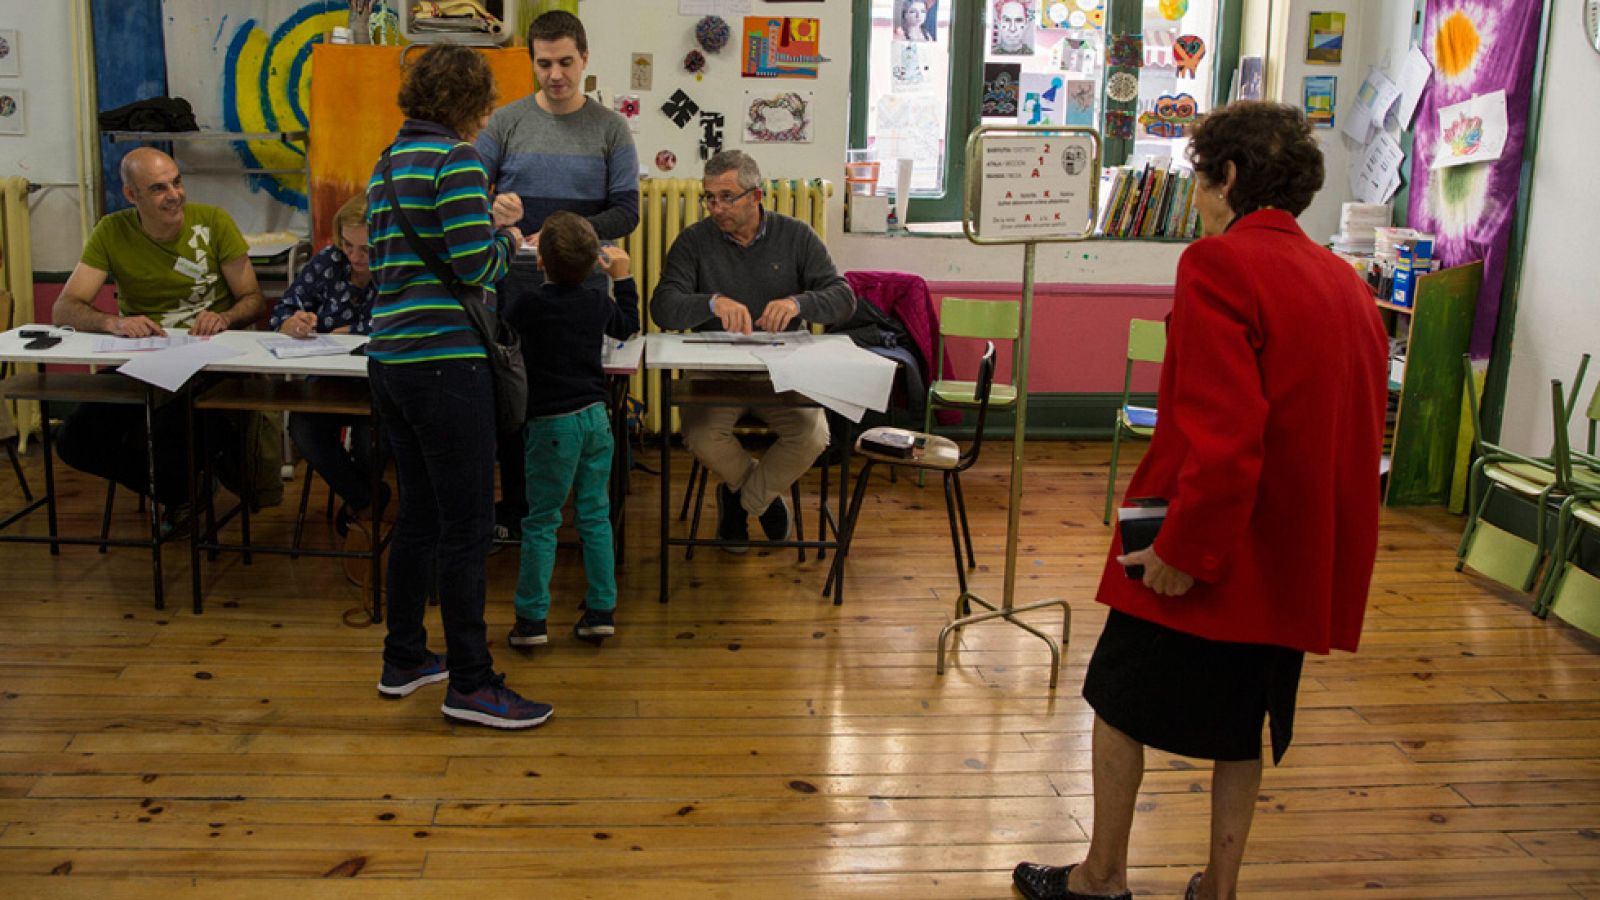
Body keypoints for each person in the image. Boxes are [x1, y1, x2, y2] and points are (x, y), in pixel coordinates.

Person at [1011, 102, 1388, 900]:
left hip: (1211, 540)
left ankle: (1101, 877)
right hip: (1291, 552)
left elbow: (1225, 435)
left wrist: (1185, 551)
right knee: (1238, 727)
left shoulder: (1218, 265)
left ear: (1231, 178)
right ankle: (1218, 888)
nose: (1197, 197)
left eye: (1200, 178)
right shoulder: (1347, 285)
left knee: (1113, 700)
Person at [364, 43, 550, 730]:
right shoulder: (457, 161)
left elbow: (388, 267)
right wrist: (506, 235)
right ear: (471, 104)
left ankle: (405, 657)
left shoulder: (387, 163)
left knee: (417, 514)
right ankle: (472, 682)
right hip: (447, 363)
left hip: (391, 359)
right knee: (470, 525)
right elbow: (476, 266)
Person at [478, 9, 641, 544]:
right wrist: (493, 205)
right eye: (544, 64)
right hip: (517, 290)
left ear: (585, 58)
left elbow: (626, 212)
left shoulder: (610, 127)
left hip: (584, 292)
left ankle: (590, 513)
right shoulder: (504, 122)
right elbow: (467, 196)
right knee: (516, 406)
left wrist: (562, 233)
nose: (556, 75)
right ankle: (520, 510)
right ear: (531, 62)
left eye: (566, 62)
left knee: (583, 408)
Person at [651, 150, 856, 548]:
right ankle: (763, 497)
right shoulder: (694, 241)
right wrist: (710, 302)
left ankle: (741, 501)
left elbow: (843, 297)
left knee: (813, 437)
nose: (716, 208)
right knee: (702, 436)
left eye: (727, 197)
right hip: (715, 372)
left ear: (756, 196)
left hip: (781, 372)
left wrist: (799, 303)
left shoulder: (795, 235)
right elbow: (663, 306)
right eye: (709, 197)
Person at [51, 147, 266, 523]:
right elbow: (65, 308)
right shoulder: (112, 230)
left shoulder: (214, 222)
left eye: (177, 182)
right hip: (146, 363)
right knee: (74, 439)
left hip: (210, 362)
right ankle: (180, 491)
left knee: (172, 430)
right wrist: (113, 322)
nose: (174, 195)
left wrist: (225, 317)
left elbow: (253, 299)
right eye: (158, 188)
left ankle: (181, 487)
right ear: (131, 195)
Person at [500, 211, 639, 649]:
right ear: (594, 261)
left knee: (542, 520)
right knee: (594, 516)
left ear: (539, 261)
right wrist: (625, 277)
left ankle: (532, 619)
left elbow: (501, 333)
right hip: (596, 419)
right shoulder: (598, 303)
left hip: (550, 425)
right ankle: (601, 610)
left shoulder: (528, 305)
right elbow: (627, 326)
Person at [268, 193, 384, 574]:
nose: (356, 256)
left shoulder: (395, 265)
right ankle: (368, 502)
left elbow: (400, 320)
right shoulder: (326, 262)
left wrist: (353, 329)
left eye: (365, 247)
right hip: (329, 377)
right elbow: (285, 307)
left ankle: (367, 505)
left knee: (372, 440)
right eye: (348, 245)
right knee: (303, 427)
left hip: (377, 382)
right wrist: (293, 322)